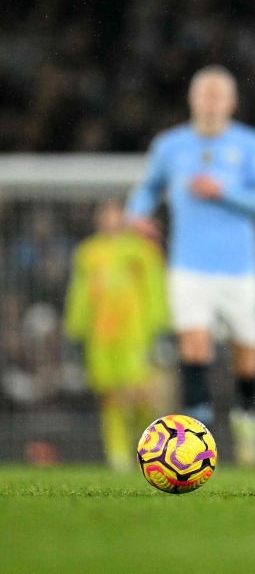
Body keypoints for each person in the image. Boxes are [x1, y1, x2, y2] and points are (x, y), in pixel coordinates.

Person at [127, 65, 255, 466]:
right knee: (194, 345)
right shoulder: (170, 146)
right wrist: (137, 213)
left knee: (248, 352)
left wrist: (223, 191)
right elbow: (146, 188)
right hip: (188, 265)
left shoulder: (249, 144)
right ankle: (196, 438)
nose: (210, 102)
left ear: (231, 102)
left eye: (218, 95)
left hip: (239, 267)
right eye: (204, 94)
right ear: (192, 99)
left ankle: (247, 419)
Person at [64, 201, 169, 471]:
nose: (110, 219)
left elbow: (154, 289)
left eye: (115, 214)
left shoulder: (141, 251)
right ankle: (118, 454)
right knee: (109, 395)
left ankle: (146, 446)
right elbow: (80, 291)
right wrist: (75, 327)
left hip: (134, 333)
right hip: (100, 335)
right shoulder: (88, 252)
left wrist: (159, 326)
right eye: (105, 214)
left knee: (139, 393)